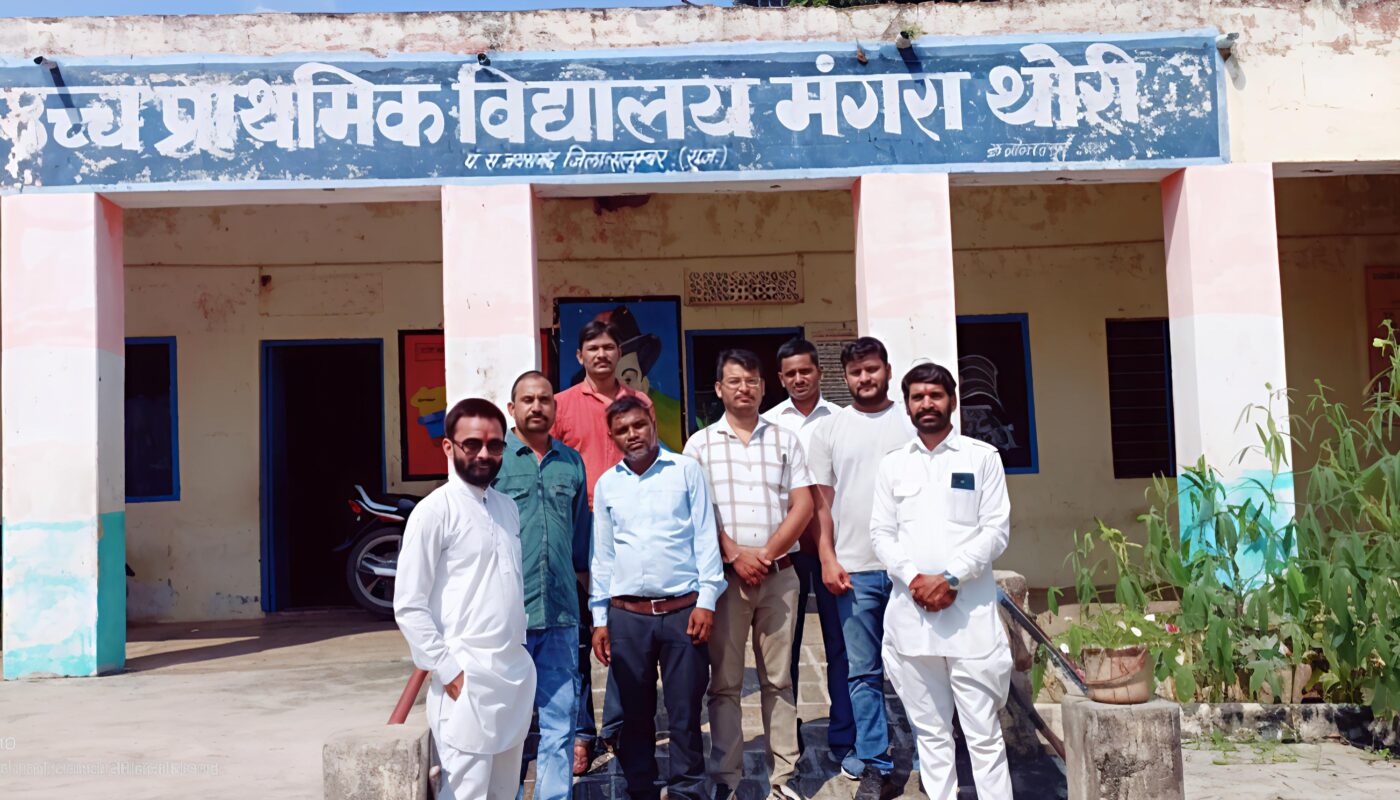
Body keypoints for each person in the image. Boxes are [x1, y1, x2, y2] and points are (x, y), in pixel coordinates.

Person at [870, 362, 1013, 800]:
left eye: (935, 395)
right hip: (912, 622)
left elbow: (996, 530)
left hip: (970, 621)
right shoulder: (893, 465)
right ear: (907, 405)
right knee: (931, 734)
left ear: (952, 400)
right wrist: (915, 579)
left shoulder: (981, 457)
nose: (926, 403)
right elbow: (881, 533)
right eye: (918, 397)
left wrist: (951, 578)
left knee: (983, 734)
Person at [685, 349, 814, 800]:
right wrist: (735, 555)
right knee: (725, 684)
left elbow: (803, 504)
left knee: (779, 679)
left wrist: (766, 554)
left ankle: (784, 777)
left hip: (779, 576)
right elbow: (697, 512)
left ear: (763, 387)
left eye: (752, 381)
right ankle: (727, 778)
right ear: (719, 388)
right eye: (735, 381)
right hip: (726, 581)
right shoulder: (699, 445)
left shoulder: (785, 439)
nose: (745, 388)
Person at [394, 398, 537, 800]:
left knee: (504, 792)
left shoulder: (507, 508)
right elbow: (409, 604)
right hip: (465, 679)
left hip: (511, 677)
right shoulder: (433, 511)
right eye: (472, 444)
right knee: (464, 793)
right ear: (448, 447)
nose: (484, 454)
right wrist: (448, 670)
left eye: (494, 445)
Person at [590, 396, 726, 800]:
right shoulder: (608, 483)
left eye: (638, 425)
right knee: (635, 712)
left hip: (683, 611)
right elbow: (603, 556)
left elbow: (705, 538)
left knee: (685, 712)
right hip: (627, 616)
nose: (632, 435)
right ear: (612, 437)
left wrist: (707, 600)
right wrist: (599, 619)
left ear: (651, 422)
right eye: (622, 430)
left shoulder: (686, 471)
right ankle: (640, 787)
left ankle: (687, 790)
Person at [806, 336, 915, 799]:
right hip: (855, 568)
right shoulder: (830, 430)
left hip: (910, 569)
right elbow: (821, 504)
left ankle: (934, 753)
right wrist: (828, 558)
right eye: (856, 372)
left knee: (921, 666)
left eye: (872, 369)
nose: (865, 378)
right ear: (844, 377)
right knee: (862, 672)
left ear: (887, 370)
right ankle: (875, 763)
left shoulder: (910, 422)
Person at [552, 318, 654, 772]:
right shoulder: (561, 405)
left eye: (609, 347)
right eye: (592, 348)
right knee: (577, 632)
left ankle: (617, 724)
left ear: (619, 352)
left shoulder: (639, 402)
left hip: (630, 524)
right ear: (580, 356)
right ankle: (581, 733)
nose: (602, 354)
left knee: (623, 623)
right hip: (578, 522)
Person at [493, 371, 591, 800]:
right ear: (511, 408)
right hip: (508, 616)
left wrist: (591, 609)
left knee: (559, 721)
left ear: (555, 407)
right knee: (507, 723)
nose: (537, 406)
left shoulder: (571, 462)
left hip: (562, 614)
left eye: (545, 399)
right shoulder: (496, 461)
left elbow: (581, 540)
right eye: (527, 399)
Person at [761, 337, 855, 767]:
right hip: (789, 548)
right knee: (786, 643)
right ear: (780, 379)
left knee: (841, 643)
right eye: (791, 373)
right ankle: (788, 734)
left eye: (806, 371)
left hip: (836, 547)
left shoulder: (842, 420)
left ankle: (845, 735)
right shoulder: (768, 424)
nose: (799, 379)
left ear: (820, 372)